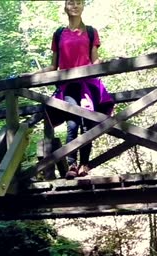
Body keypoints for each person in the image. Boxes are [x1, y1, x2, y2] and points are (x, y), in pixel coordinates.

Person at [41, 0, 114, 179]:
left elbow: (95, 61)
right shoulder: (59, 34)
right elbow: (53, 66)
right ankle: (72, 165)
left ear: (83, 7)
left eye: (78, 3)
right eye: (70, 3)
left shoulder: (90, 31)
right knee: (73, 122)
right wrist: (31, 75)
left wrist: (113, 62)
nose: (74, 6)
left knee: (88, 122)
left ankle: (84, 164)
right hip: (68, 85)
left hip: (88, 83)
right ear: (65, 7)